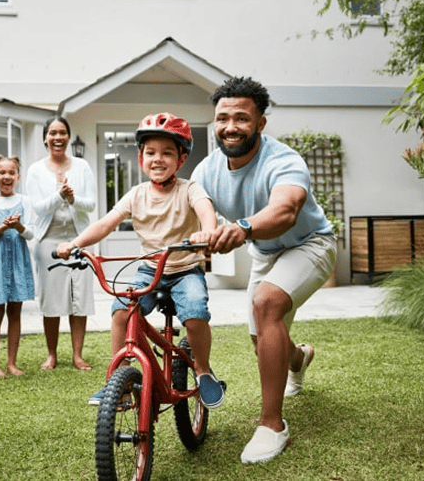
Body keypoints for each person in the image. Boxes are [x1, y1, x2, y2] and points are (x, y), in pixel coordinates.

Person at [191, 76, 336, 463]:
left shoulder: (283, 159)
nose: (230, 127)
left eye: (241, 118)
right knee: (262, 343)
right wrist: (207, 232)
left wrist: (242, 227)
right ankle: (298, 358)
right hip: (266, 252)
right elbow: (199, 203)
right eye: (223, 118)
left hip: (310, 244)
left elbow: (285, 211)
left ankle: (273, 426)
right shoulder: (209, 167)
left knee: (267, 304)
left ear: (260, 123)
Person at [56, 113, 226, 409]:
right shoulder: (136, 195)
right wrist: (75, 243)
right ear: (140, 159)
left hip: (185, 269)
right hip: (150, 269)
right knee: (122, 309)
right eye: (151, 153)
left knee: (195, 310)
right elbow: (106, 224)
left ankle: (202, 369)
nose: (158, 159)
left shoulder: (190, 189)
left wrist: (208, 232)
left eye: (167, 153)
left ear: (181, 159)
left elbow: (204, 209)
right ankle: (119, 379)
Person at [26, 116, 97, 371]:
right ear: (45, 138)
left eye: (62, 132)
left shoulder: (82, 166)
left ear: (68, 137)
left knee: (79, 297)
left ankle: (78, 355)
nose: (58, 137)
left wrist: (73, 198)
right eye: (53, 133)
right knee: (51, 299)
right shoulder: (36, 170)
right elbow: (36, 207)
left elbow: (91, 204)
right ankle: (51, 354)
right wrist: (58, 196)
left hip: (79, 239)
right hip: (49, 241)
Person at [0, 155, 35, 377]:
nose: (7, 176)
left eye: (11, 172)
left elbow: (31, 234)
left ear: (18, 177)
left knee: (15, 312)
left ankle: (11, 363)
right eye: (2, 172)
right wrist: (0, 228)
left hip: (18, 262)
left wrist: (19, 226)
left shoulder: (25, 201)